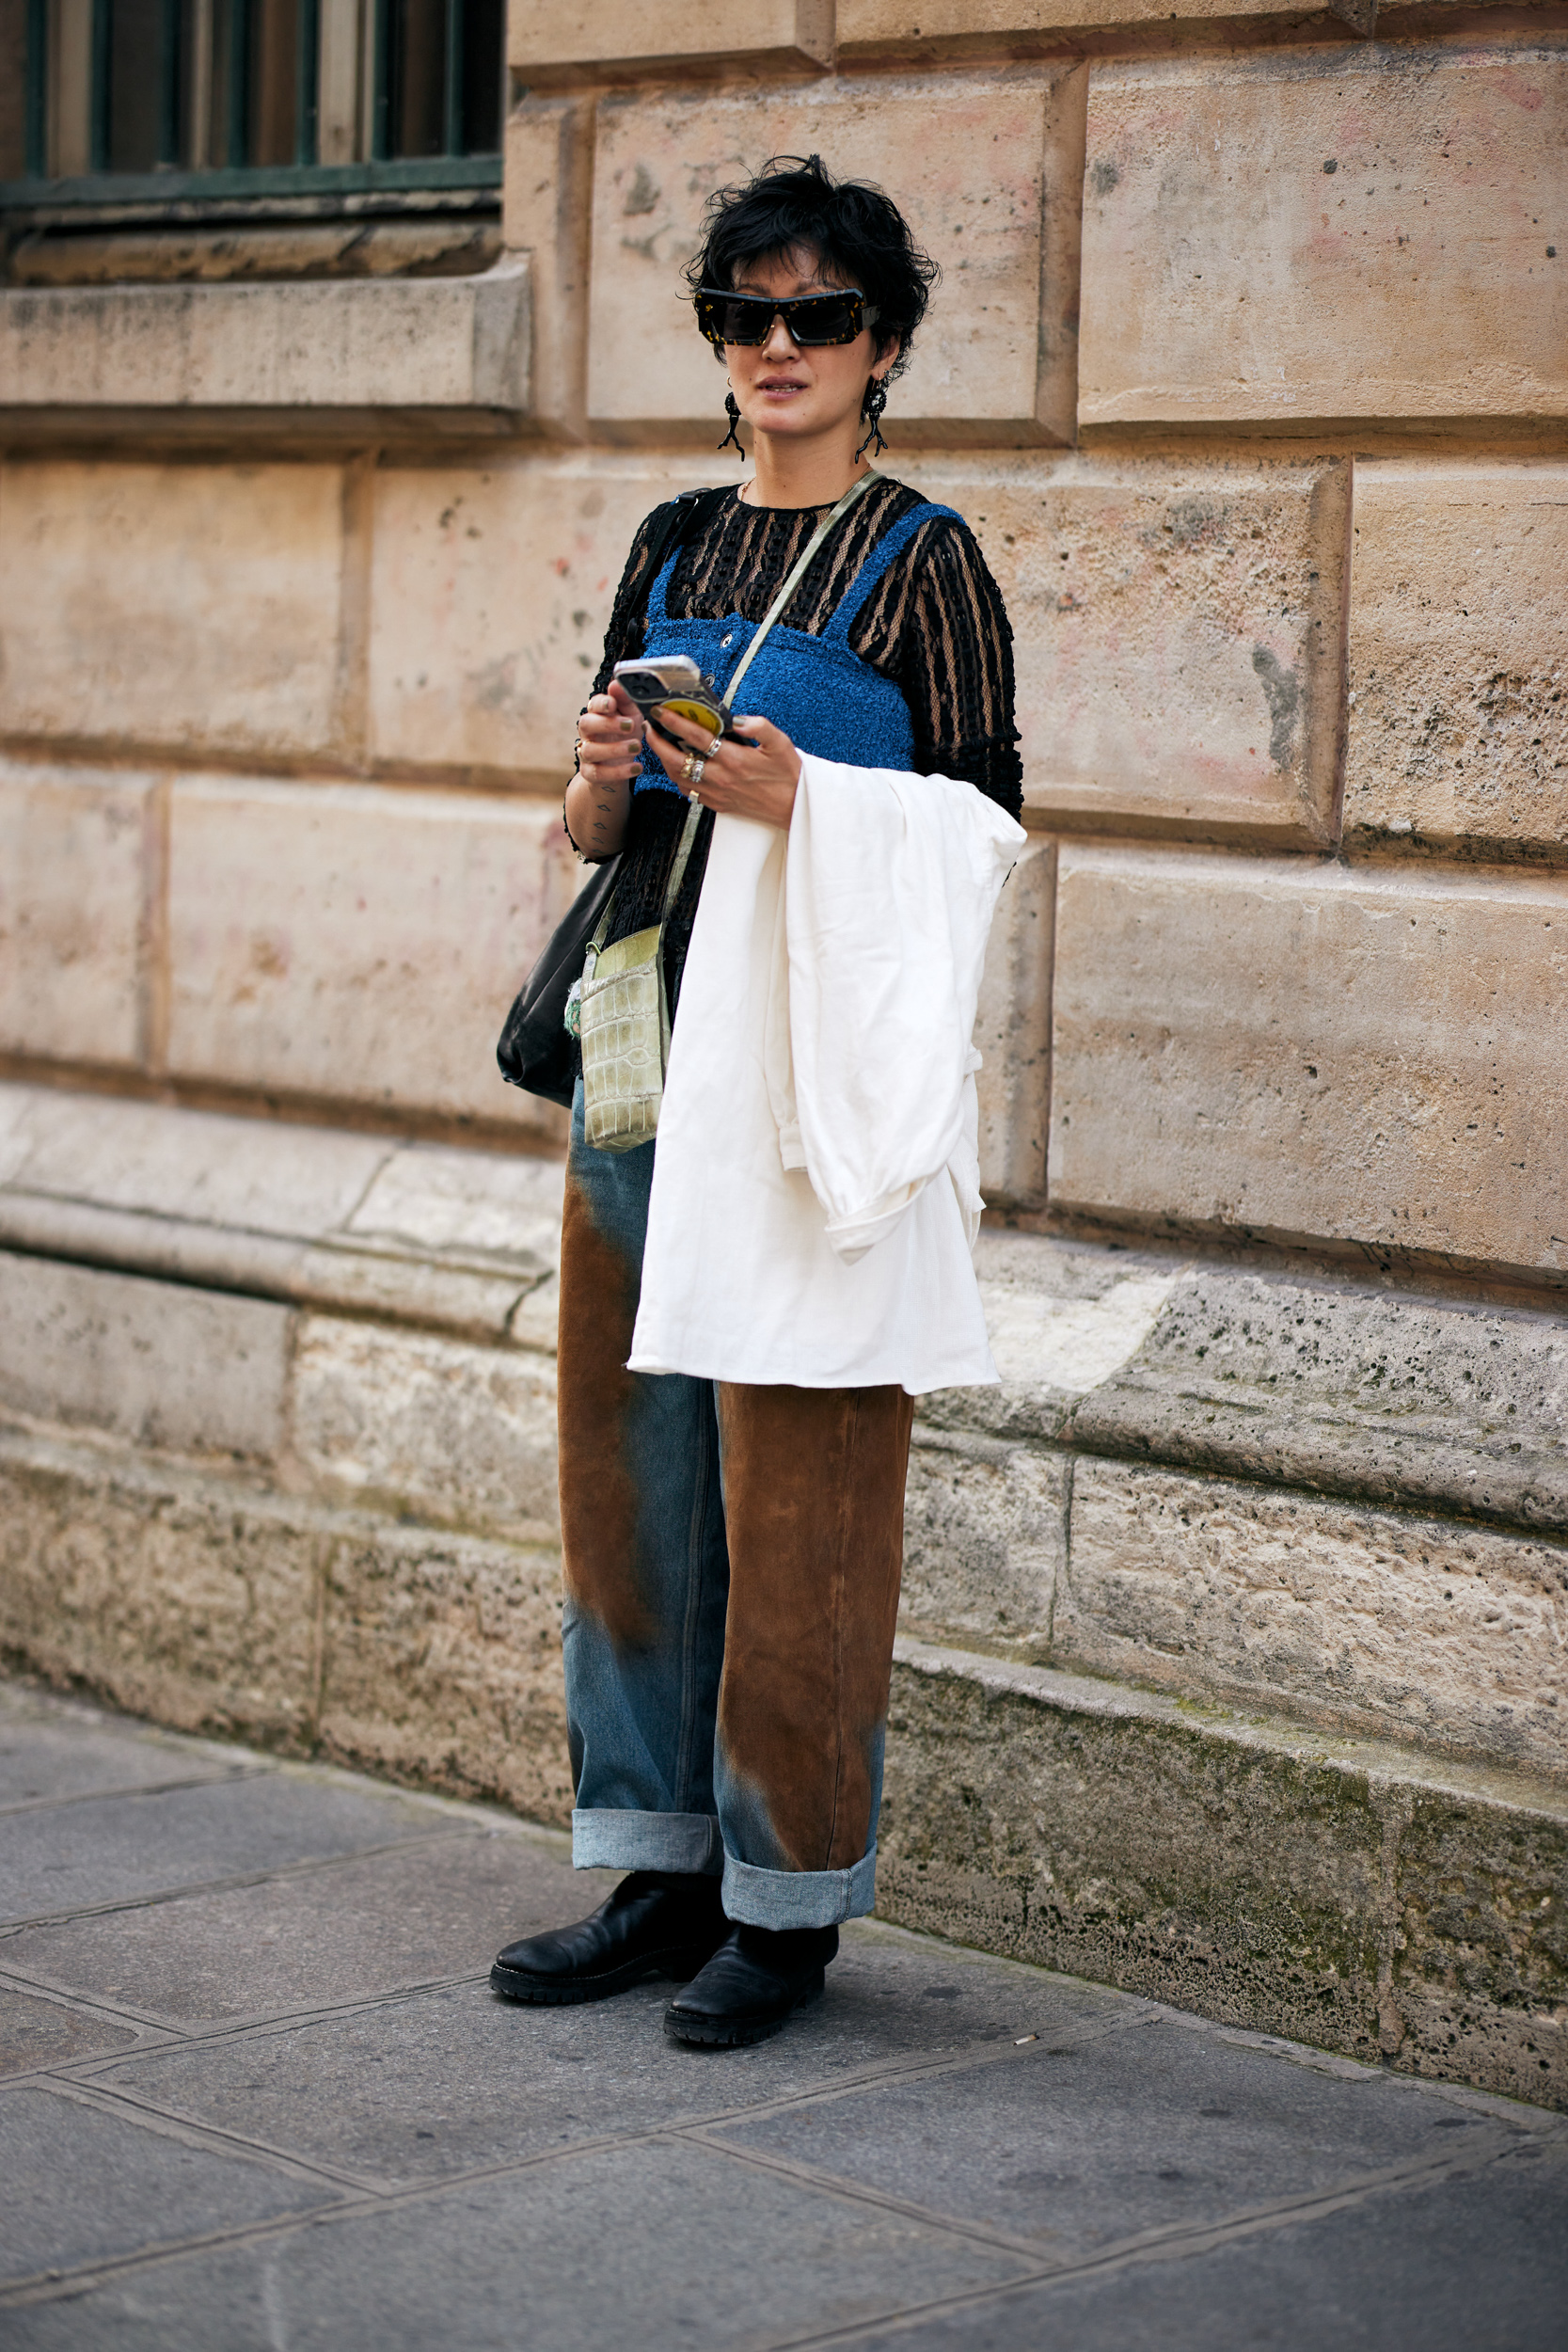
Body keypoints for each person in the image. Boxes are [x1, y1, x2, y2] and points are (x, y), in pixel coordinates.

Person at [491, 153, 1024, 2049]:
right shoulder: (669, 542)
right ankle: (656, 1866)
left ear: (881, 349)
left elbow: (986, 834)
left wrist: (820, 808)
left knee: (799, 1481)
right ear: (717, 341)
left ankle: (784, 1905)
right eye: (747, 313)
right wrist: (600, 772)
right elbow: (587, 838)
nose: (780, 345)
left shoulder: (927, 562)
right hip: (643, 1058)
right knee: (628, 1466)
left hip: (799, 1087)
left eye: (821, 316)